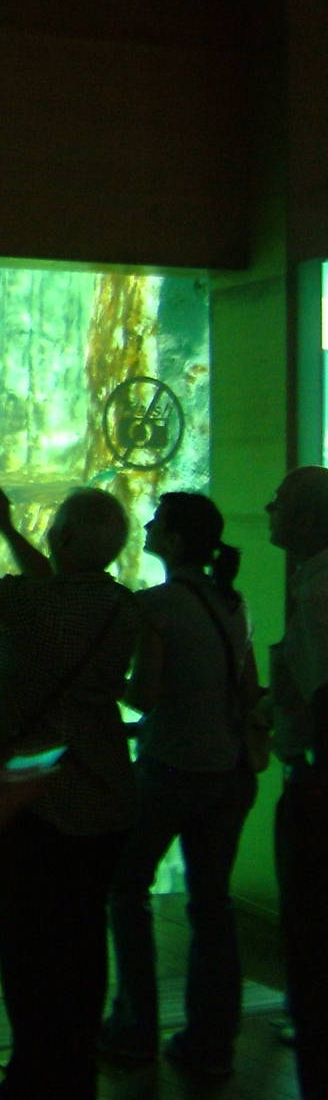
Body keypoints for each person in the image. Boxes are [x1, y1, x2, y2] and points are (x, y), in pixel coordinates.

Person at [0, 480, 138, 1100]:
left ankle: (33, 1069)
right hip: (101, 796)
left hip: (30, 801)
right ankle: (74, 1065)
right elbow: (56, 589)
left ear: (68, 537)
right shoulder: (122, 607)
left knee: (26, 942)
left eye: (56, 525)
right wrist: (6, 528)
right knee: (80, 940)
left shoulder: (33, 604)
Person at [99, 493, 258, 1077]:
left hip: (170, 772)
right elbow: (246, 685)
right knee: (212, 905)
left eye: (158, 523)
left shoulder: (154, 607)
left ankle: (135, 1027)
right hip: (228, 774)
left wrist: (103, 680)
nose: (146, 525)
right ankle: (212, 1041)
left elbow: (144, 694)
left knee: (125, 890)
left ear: (174, 541)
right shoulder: (231, 601)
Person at [267, 465, 328, 1099]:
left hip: (315, 788)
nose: (268, 507)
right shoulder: (310, 581)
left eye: (280, 502)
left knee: (309, 942)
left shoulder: (317, 592)